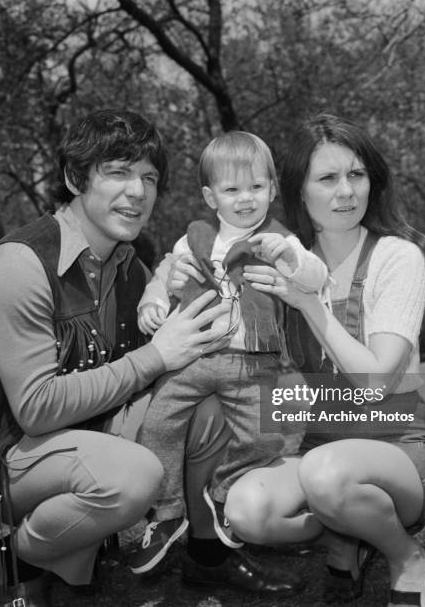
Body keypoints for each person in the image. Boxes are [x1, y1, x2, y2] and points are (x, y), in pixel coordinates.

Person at [0, 110, 303, 607]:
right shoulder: (19, 265)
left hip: (90, 435)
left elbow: (173, 357)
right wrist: (157, 356)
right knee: (132, 474)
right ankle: (18, 555)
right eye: (118, 172)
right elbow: (35, 409)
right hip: (7, 459)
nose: (137, 192)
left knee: (213, 402)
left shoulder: (131, 267)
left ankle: (205, 556)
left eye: (149, 178)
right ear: (75, 178)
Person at [223, 114, 425, 607]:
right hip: (321, 445)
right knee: (247, 510)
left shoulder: (398, 256)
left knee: (328, 474)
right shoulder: (285, 259)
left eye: (357, 174)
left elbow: (376, 382)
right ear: (300, 192)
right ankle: (346, 532)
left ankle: (403, 554)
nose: (346, 191)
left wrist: (310, 303)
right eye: (327, 178)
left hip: (402, 445)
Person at [129, 130, 328, 574]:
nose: (245, 199)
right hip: (196, 358)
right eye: (232, 189)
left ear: (272, 190)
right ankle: (166, 514)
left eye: (257, 187)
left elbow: (316, 278)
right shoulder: (195, 238)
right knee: (158, 422)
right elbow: (164, 275)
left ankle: (222, 498)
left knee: (265, 436)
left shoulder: (281, 240)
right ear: (210, 196)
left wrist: (293, 260)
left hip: (255, 363)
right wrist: (154, 300)